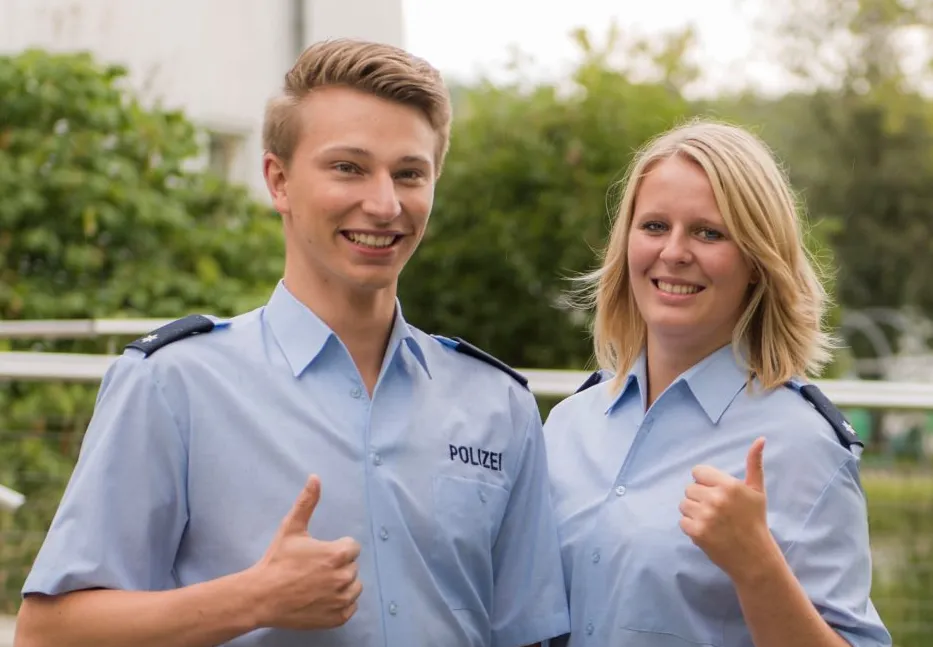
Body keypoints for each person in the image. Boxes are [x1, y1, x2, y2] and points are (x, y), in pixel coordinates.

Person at [15, 39, 569, 647]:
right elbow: (49, 633)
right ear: (278, 181)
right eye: (348, 167)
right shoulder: (174, 384)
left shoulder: (499, 406)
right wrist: (254, 599)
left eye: (409, 173)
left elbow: (528, 635)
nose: (384, 204)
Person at [543, 120, 892, 647]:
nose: (675, 252)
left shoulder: (801, 446)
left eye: (709, 232)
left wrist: (757, 567)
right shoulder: (569, 426)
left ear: (756, 261)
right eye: (655, 226)